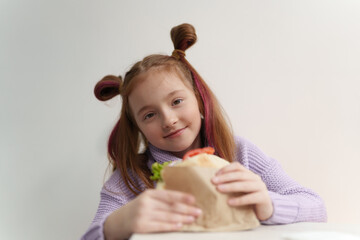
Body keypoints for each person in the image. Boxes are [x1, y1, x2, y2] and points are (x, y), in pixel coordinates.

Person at [81, 23, 327, 240]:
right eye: (149, 115)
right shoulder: (131, 178)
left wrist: (267, 204)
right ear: (138, 127)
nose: (168, 120)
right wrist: (116, 226)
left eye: (176, 102)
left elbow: (316, 208)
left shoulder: (239, 153)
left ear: (198, 99)